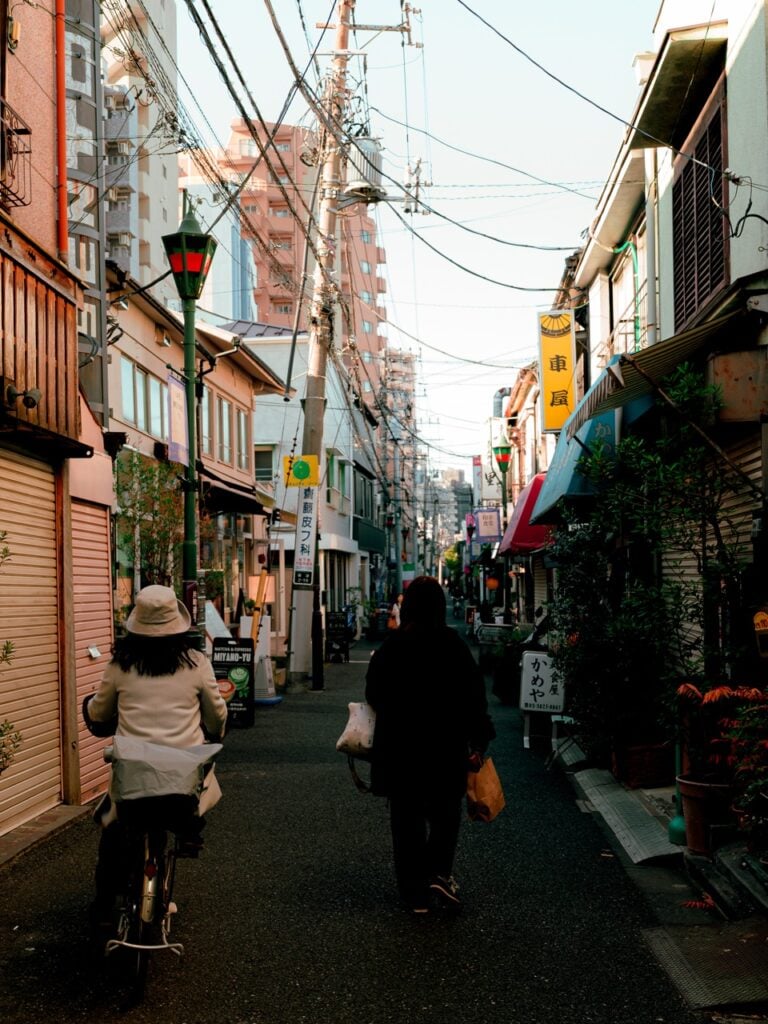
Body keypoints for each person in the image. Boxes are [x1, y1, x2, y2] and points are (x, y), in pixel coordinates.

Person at [84, 585, 227, 921]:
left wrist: (90, 709)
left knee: (114, 832)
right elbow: (216, 716)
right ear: (178, 626)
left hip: (133, 782)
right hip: (181, 784)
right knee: (198, 781)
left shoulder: (121, 665)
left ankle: (104, 908)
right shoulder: (196, 663)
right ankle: (190, 832)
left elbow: (100, 714)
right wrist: (213, 730)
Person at [365, 575, 495, 914]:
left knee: (406, 819)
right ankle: (438, 873)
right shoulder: (454, 646)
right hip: (445, 749)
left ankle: (414, 894)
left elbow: (373, 695)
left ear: (407, 607)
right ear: (441, 607)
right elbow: (474, 699)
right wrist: (478, 743)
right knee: (444, 814)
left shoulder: (392, 647)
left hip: (400, 750)